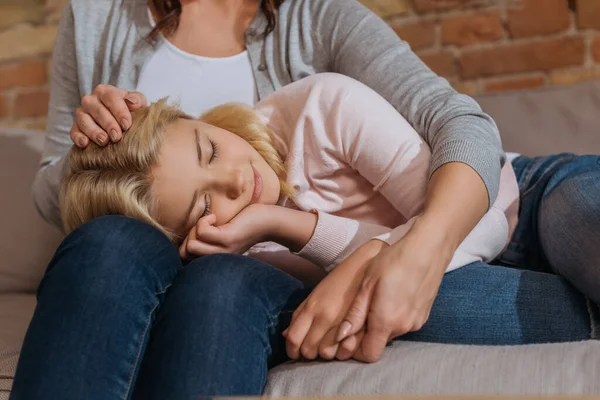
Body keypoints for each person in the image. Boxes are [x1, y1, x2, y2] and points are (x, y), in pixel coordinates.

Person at [10, 0, 599, 398]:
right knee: (132, 251)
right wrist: (84, 148)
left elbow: (465, 139)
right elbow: (58, 195)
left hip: (492, 200)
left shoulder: (319, 57)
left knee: (583, 220)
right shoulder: (97, 14)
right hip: (271, 263)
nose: (237, 184)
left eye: (212, 152)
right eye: (203, 206)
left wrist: (368, 254)